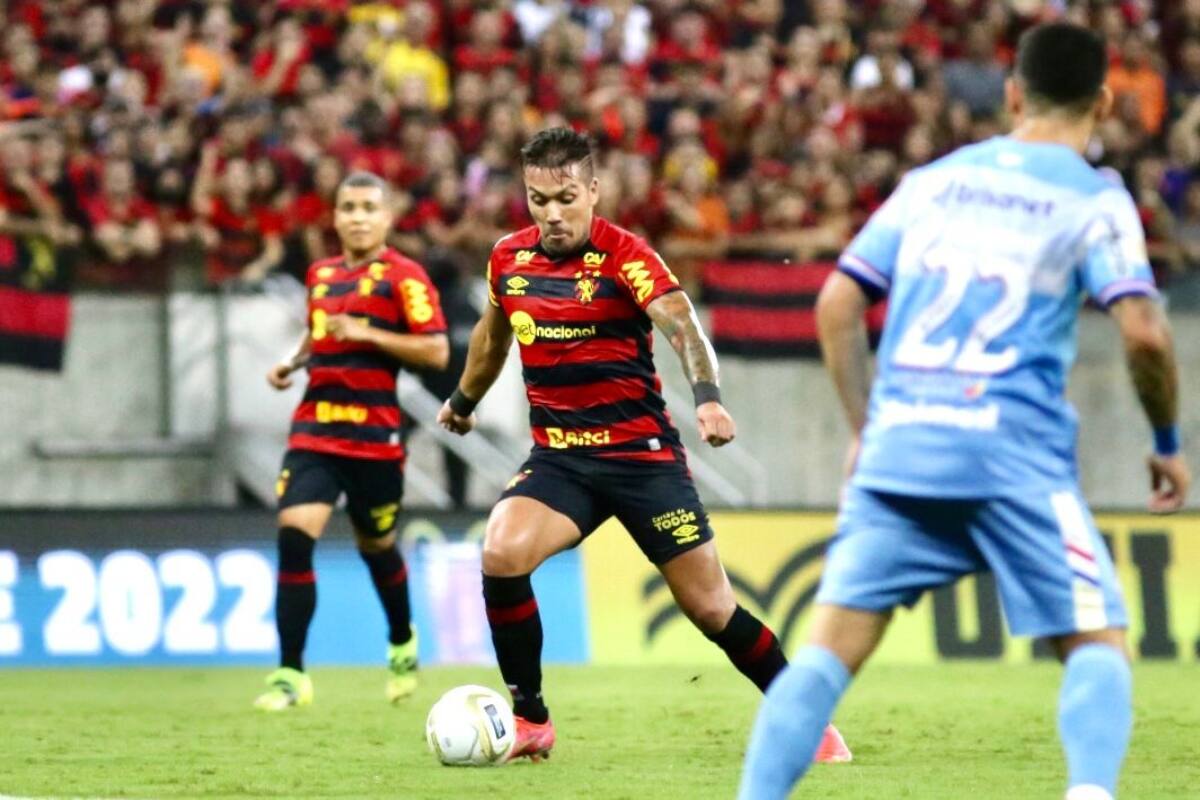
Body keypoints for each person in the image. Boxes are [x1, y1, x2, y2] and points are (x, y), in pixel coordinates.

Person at [738, 23, 1191, 800]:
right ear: (1103, 103)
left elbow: (837, 302)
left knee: (824, 656)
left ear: (1012, 95)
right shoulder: (1094, 197)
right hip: (1013, 455)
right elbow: (1146, 333)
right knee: (1097, 645)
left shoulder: (931, 183)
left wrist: (866, 427)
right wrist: (1167, 441)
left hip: (900, 452)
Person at [436, 127, 851, 762]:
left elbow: (683, 326)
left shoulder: (627, 256)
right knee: (501, 552)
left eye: (566, 198)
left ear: (593, 192)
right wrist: (463, 402)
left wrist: (707, 397)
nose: (552, 213)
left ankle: (807, 719)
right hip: (561, 460)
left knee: (712, 609)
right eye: (539, 200)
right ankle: (531, 719)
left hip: (641, 459)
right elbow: (493, 340)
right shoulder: (508, 260)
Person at [254, 171, 450, 711]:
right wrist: (292, 362)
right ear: (335, 217)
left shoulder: (406, 278)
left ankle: (401, 639)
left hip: (374, 439)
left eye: (368, 208)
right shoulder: (320, 275)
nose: (358, 217)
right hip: (315, 430)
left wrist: (367, 333)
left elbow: (436, 350)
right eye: (348, 208)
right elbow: (319, 331)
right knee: (294, 538)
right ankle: (290, 675)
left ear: (387, 217)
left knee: (377, 546)